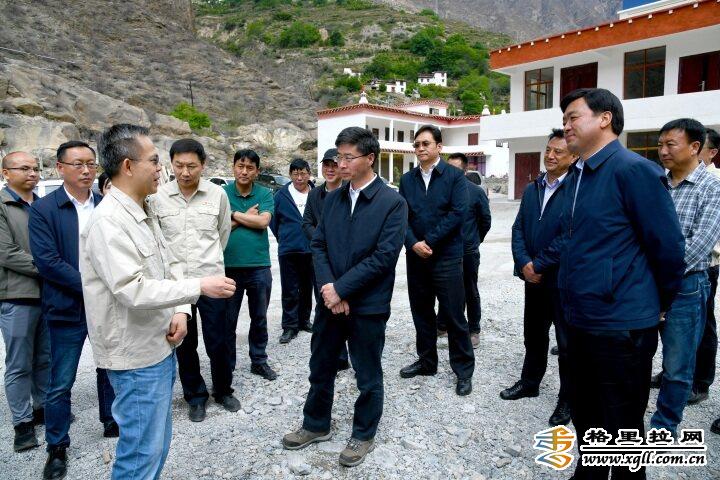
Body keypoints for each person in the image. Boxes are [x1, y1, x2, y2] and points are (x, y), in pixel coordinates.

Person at [80, 124, 236, 479]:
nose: (161, 169)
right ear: (127, 166)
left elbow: (168, 264)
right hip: (135, 355)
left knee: (155, 444)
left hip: (157, 345)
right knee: (140, 453)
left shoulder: (144, 210)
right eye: (153, 160)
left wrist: (179, 309)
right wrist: (199, 286)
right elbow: (131, 289)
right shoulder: (109, 222)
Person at [558, 88, 685, 479]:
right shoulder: (577, 174)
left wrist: (657, 302)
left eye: (573, 117)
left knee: (623, 422)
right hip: (580, 318)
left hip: (621, 323)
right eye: (564, 120)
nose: (566, 126)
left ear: (604, 118)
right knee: (587, 413)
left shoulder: (634, 170)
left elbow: (668, 248)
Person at [282, 126, 407, 467]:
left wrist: (342, 288)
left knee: (367, 373)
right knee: (321, 366)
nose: (341, 163)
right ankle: (315, 424)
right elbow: (319, 244)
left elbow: (384, 257)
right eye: (339, 156)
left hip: (367, 305)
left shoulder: (392, 203)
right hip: (330, 302)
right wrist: (329, 288)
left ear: (370, 158)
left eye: (348, 157)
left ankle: (363, 433)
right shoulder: (333, 198)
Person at [28, 141, 118, 480]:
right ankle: (57, 446)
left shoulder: (106, 204)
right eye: (77, 164)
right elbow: (47, 262)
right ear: (60, 168)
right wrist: (92, 286)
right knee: (61, 380)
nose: (86, 170)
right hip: (66, 307)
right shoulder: (44, 209)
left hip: (106, 306)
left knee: (109, 366)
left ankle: (111, 420)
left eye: (91, 164)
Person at [149, 139, 234, 422]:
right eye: (179, 165)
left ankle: (223, 390)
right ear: (171, 164)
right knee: (185, 344)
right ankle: (195, 396)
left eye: (192, 166)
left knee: (219, 340)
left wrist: (209, 265)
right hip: (177, 285)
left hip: (212, 282)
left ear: (203, 165)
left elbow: (223, 234)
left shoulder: (217, 195)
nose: (185, 172)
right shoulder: (158, 197)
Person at [649, 119, 720, 438]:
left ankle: (664, 426)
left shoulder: (712, 187)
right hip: (646, 283)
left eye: (670, 144)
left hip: (686, 286)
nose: (663, 151)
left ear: (695, 147)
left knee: (678, 364)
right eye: (660, 144)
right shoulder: (655, 183)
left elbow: (701, 244)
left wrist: (658, 272)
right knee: (637, 353)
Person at [500, 130, 575, 427]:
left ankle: (567, 399)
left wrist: (539, 264)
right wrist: (524, 263)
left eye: (558, 151)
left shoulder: (578, 189)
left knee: (567, 344)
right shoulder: (533, 188)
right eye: (548, 150)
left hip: (563, 281)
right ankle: (530, 382)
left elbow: (570, 235)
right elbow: (519, 228)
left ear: (574, 156)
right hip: (534, 279)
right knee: (533, 335)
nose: (551, 156)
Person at [398, 125, 475, 396]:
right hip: (416, 257)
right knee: (421, 312)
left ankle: (463, 370)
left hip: (446, 257)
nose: (420, 148)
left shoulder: (454, 176)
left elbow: (458, 213)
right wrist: (412, 243)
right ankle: (427, 362)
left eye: (425, 143)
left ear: (439, 147)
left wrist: (428, 241)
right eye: (417, 144)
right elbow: (401, 216)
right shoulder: (407, 180)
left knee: (454, 315)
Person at [0, 152, 49, 453]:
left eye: (35, 168)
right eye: (24, 168)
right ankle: (22, 423)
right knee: (19, 362)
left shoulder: (41, 206)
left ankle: (42, 408)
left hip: (47, 293)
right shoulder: (3, 205)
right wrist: (49, 268)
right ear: (6, 173)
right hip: (17, 295)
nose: (32, 173)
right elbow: (6, 253)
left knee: (44, 357)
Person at [223, 149, 277, 381]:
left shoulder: (265, 193)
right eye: (240, 166)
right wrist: (245, 215)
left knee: (259, 317)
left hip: (259, 266)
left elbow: (263, 222)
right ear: (233, 167)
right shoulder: (222, 194)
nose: (244, 171)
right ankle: (227, 365)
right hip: (228, 267)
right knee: (228, 321)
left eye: (250, 168)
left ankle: (259, 360)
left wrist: (233, 215)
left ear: (257, 171)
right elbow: (219, 228)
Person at [436, 152, 491, 349]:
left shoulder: (475, 192)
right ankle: (442, 325)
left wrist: (474, 241)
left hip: (467, 251)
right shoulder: (441, 190)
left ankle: (474, 329)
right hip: (445, 251)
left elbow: (485, 221)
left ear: (465, 171)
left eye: (456, 169)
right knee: (446, 289)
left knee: (470, 290)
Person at [302, 148, 350, 370]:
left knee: (348, 306)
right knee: (325, 304)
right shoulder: (314, 195)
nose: (330, 169)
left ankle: (355, 355)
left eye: (334, 165)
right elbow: (307, 223)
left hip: (344, 260)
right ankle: (335, 355)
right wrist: (322, 241)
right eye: (326, 165)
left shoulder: (349, 192)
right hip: (320, 260)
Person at [271, 158, 314, 344]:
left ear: (309, 174)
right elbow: (273, 221)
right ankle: (289, 326)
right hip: (289, 250)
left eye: (303, 173)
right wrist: (284, 237)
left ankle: (304, 320)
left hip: (311, 249)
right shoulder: (281, 195)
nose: (299, 177)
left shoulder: (316, 193)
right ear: (290, 175)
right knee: (289, 289)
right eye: (295, 174)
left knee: (307, 287)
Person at [692, 127, 720, 407]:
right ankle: (673, 372)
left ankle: (702, 382)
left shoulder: (715, 181)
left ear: (712, 152)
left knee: (704, 323)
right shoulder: (678, 178)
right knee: (676, 323)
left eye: (698, 148)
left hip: (706, 264)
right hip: (682, 264)